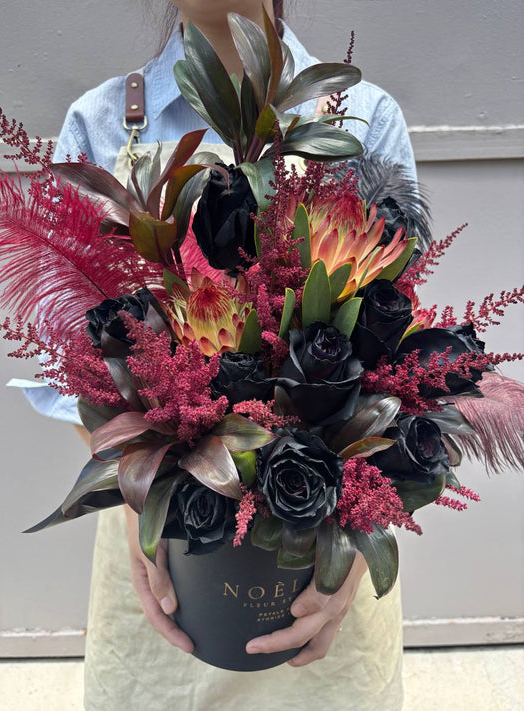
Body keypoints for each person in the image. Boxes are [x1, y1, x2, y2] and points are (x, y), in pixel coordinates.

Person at [36, 1, 417, 708]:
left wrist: (352, 558)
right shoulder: (101, 124)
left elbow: (403, 368)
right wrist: (142, 504)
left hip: (325, 585)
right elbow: (73, 369)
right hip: (161, 571)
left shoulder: (363, 118)